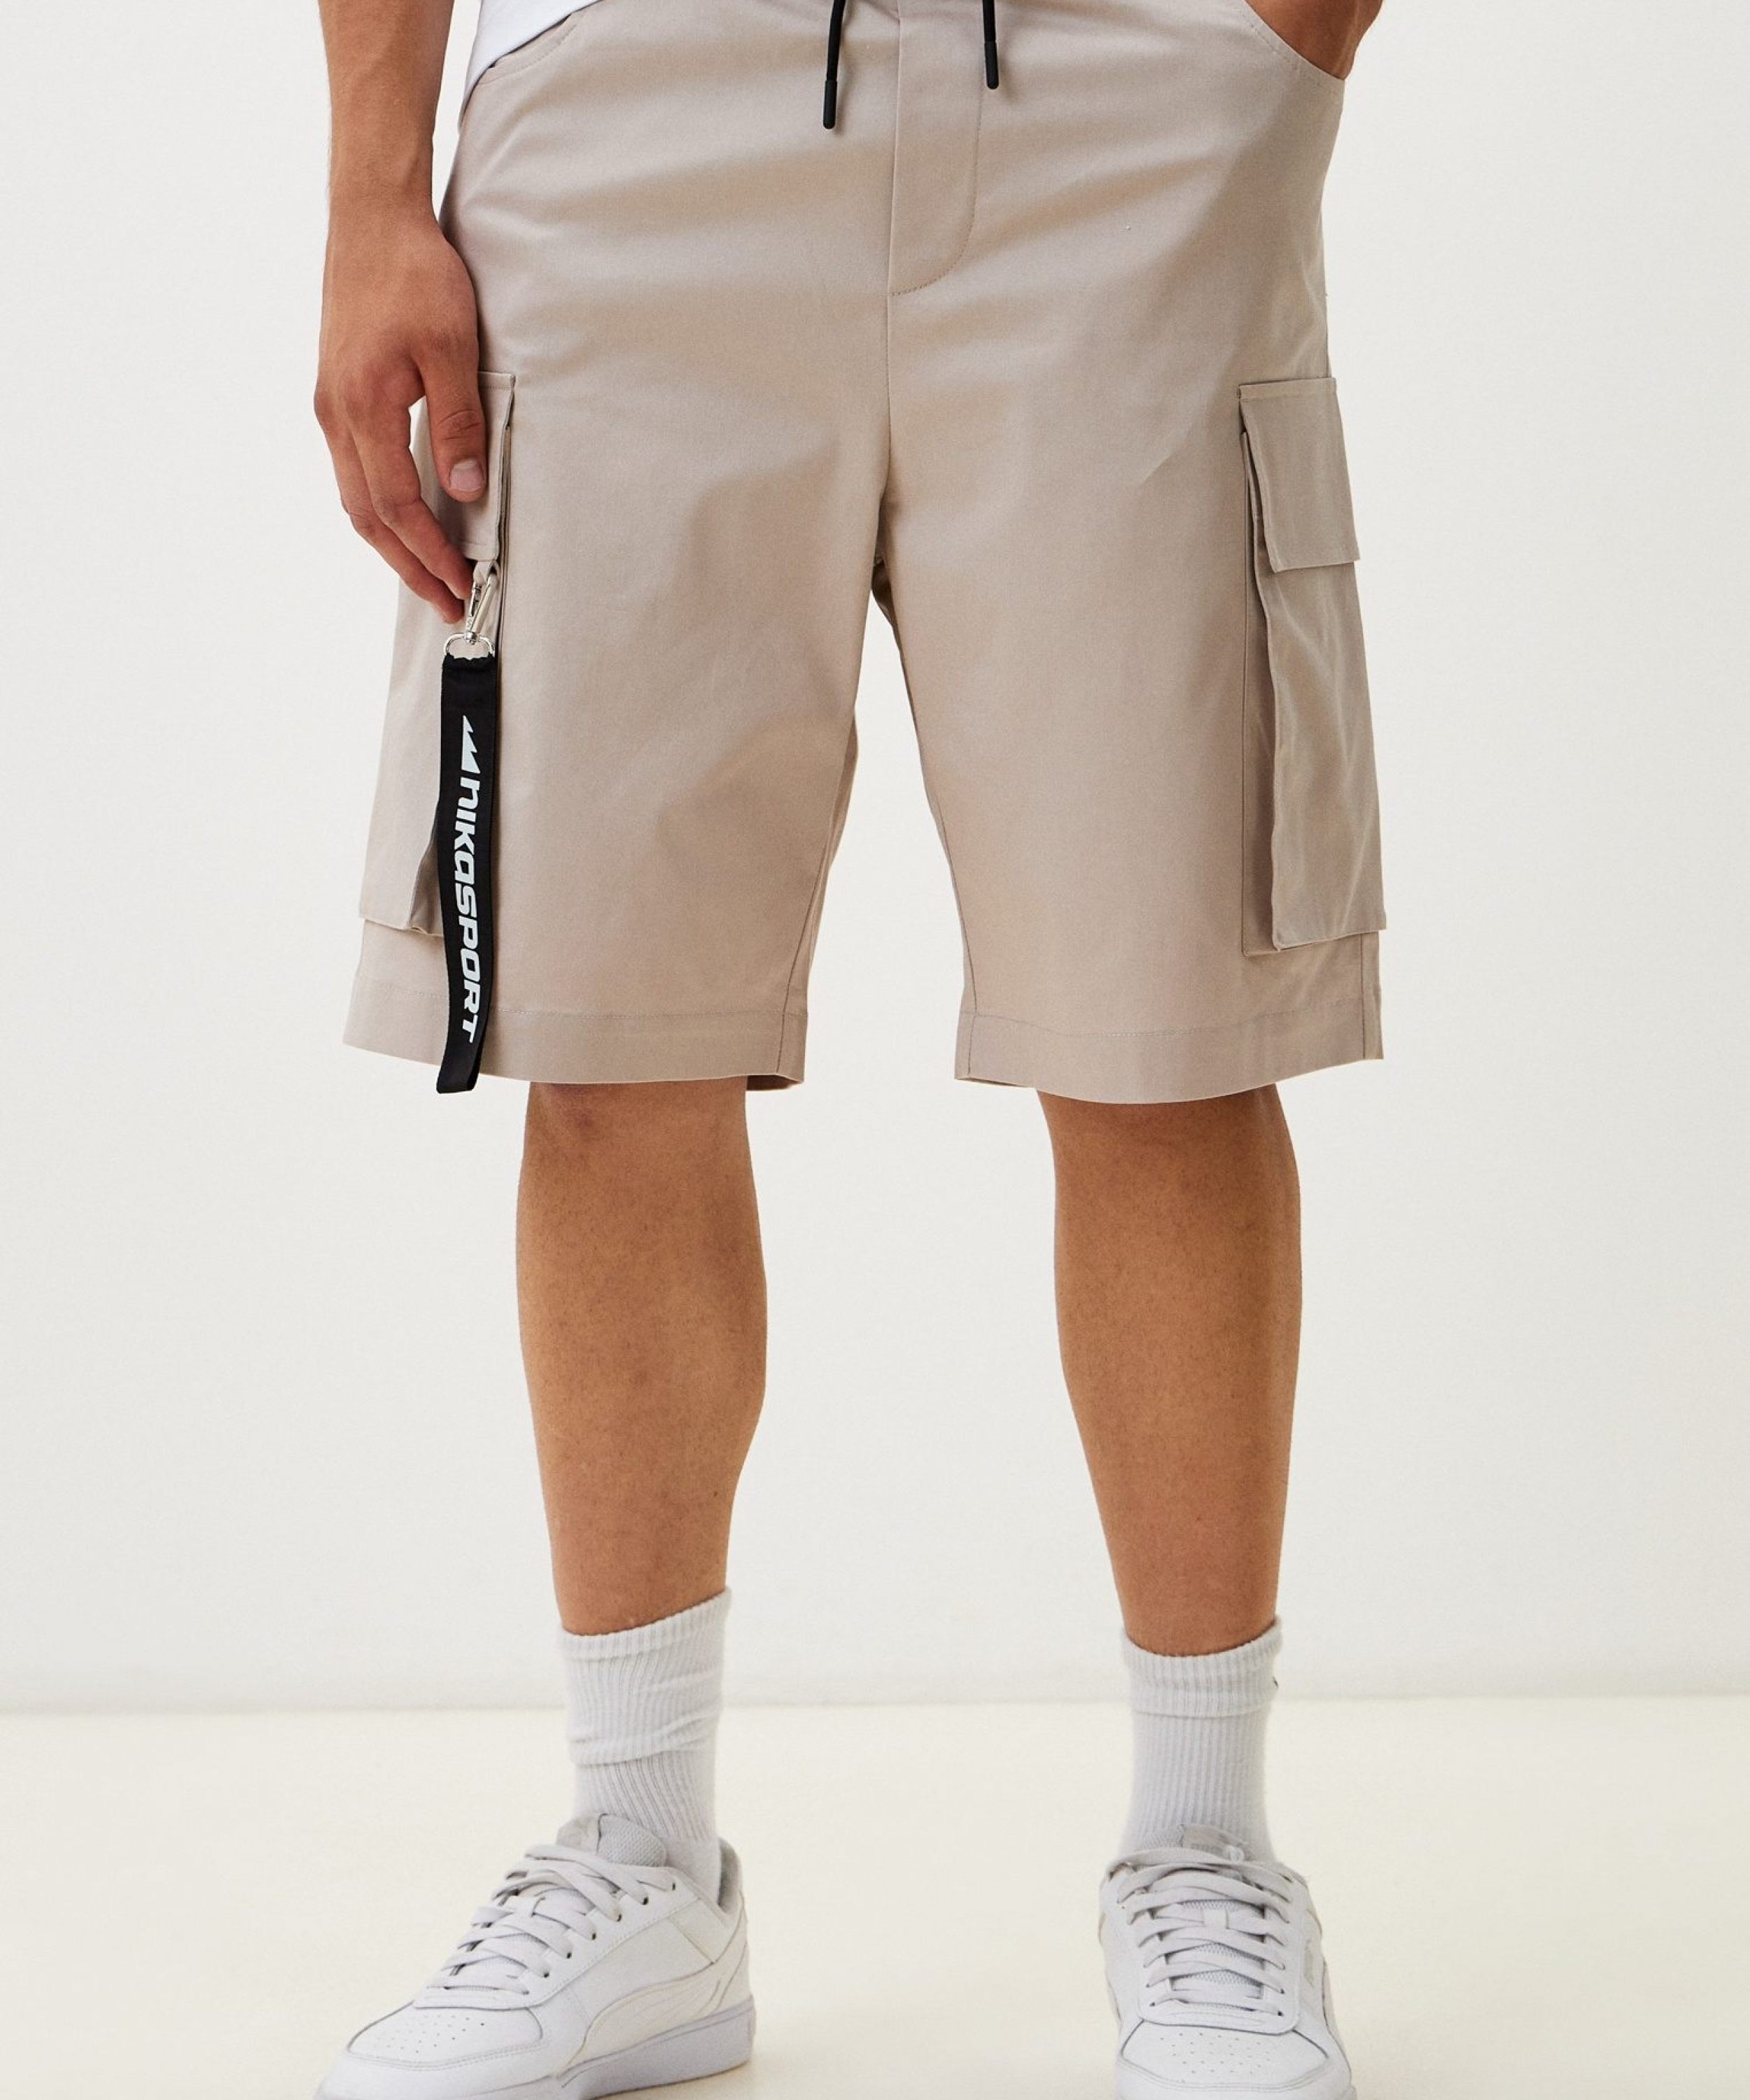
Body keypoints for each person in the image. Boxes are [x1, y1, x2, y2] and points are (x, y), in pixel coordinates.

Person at [312, 0, 1387, 2094]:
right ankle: (640, 1858)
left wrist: (1278, 45)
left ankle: (1206, 1854)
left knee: (1166, 1024)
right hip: (628, 123)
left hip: (1127, 104)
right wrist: (372, 191)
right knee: (605, 1023)